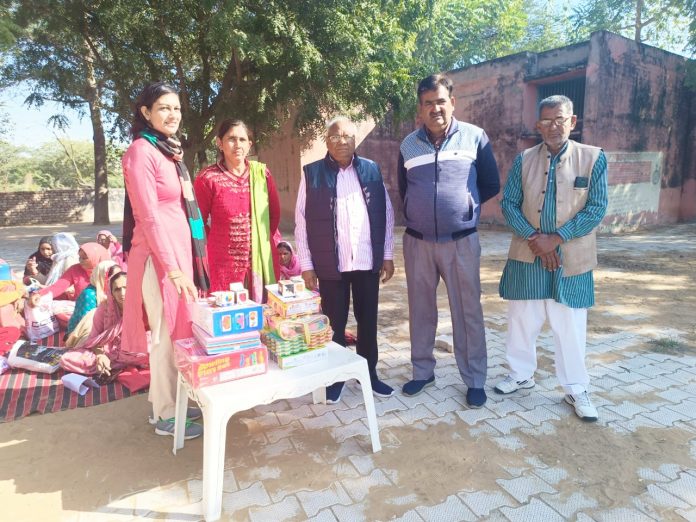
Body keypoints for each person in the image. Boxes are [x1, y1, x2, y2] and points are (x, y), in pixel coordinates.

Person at [495, 95, 608, 422]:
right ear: (537, 125)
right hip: (527, 253)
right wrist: (535, 240)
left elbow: (596, 208)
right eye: (546, 121)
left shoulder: (593, 159)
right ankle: (520, 374)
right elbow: (509, 205)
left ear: (573, 122)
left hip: (571, 258)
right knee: (522, 318)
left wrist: (556, 239)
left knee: (569, 324)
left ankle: (576, 387)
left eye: (560, 120)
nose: (553, 127)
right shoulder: (523, 160)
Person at [398, 74, 500, 408]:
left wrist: (463, 207)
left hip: (461, 242)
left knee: (468, 311)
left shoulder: (475, 137)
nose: (435, 108)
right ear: (420, 108)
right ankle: (422, 371)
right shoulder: (408, 145)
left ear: (452, 102)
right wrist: (421, 211)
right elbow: (404, 189)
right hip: (418, 243)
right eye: (428, 103)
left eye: (440, 101)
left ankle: (474, 378)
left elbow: (489, 184)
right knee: (421, 311)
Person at [121, 81, 209, 440]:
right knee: (162, 334)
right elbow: (149, 217)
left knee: (180, 332)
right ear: (146, 113)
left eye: (176, 108)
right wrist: (172, 268)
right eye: (163, 108)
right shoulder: (141, 152)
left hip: (177, 257)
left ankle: (178, 402)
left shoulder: (169, 151)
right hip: (158, 260)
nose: (172, 115)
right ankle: (165, 414)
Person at [295, 115, 395, 403]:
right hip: (331, 265)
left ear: (355, 140)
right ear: (327, 141)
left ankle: (370, 374)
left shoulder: (372, 171)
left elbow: (385, 215)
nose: (342, 141)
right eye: (336, 136)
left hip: (366, 262)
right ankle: (335, 378)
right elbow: (302, 222)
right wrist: (307, 264)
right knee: (334, 324)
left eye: (348, 136)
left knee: (368, 322)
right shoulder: (312, 173)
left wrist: (387, 255)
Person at [193, 119, 280, 297]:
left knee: (264, 319)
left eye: (242, 140)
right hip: (222, 265)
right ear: (219, 143)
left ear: (249, 145)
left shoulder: (262, 175)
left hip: (261, 262)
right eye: (231, 139)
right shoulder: (207, 178)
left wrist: (257, 244)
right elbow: (196, 222)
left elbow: (273, 216)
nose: (237, 145)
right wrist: (213, 244)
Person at [61, 272, 147, 376]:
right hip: (109, 349)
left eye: (126, 287)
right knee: (66, 360)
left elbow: (152, 332)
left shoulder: (143, 305)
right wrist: (100, 356)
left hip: (135, 349)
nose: (122, 293)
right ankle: (114, 364)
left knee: (150, 351)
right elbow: (94, 339)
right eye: (117, 289)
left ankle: (115, 364)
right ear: (111, 293)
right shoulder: (104, 309)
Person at [65, 260, 117, 337]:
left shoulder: (116, 291)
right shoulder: (89, 295)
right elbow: (86, 325)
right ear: (102, 276)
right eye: (113, 277)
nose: (117, 280)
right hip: (82, 335)